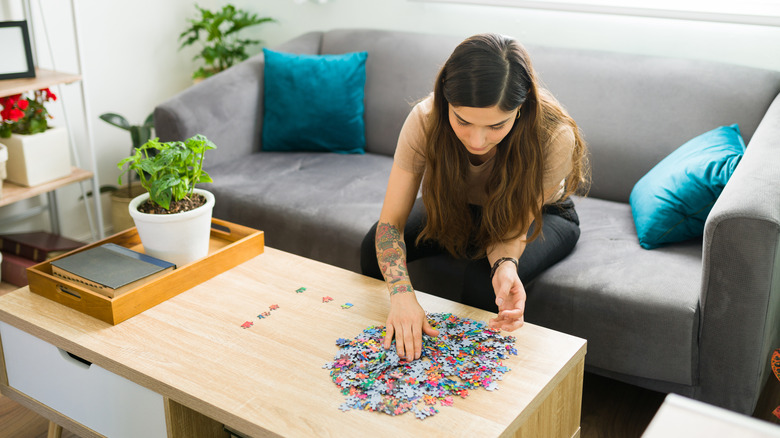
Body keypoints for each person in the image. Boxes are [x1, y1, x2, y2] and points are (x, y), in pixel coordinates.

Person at [360, 33, 589, 362]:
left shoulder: (553, 136)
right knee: (373, 247)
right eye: (462, 121)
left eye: (496, 126)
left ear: (521, 107)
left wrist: (505, 266)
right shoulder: (425, 118)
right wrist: (402, 295)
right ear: (446, 100)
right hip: (459, 208)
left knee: (485, 282)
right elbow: (390, 225)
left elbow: (510, 230)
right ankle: (388, 339)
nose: (477, 141)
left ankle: (461, 371)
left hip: (545, 215)